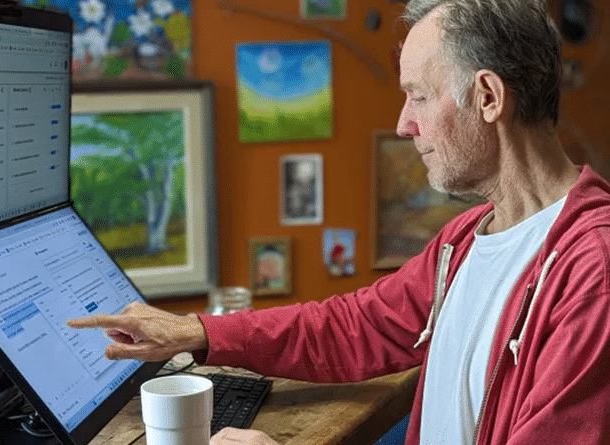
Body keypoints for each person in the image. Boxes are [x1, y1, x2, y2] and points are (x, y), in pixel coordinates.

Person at [67, 0, 610, 443]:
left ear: (488, 97)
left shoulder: (594, 272)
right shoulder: (466, 241)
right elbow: (356, 327)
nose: (404, 124)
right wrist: (197, 331)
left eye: (417, 95)